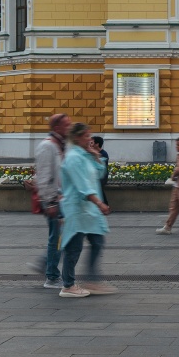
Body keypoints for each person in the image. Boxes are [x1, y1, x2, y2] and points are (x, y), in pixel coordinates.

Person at [57, 123, 115, 297]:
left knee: (97, 242)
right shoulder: (73, 157)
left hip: (89, 210)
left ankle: (92, 281)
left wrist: (96, 156)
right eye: (86, 136)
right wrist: (99, 203)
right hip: (77, 209)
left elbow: (97, 175)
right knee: (74, 248)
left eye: (90, 135)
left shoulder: (84, 155)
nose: (90, 139)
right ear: (76, 138)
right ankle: (68, 285)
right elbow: (82, 185)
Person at [30, 113, 69, 289]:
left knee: (62, 237)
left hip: (62, 199)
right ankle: (52, 276)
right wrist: (50, 202)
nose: (70, 127)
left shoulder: (62, 145)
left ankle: (46, 263)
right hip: (55, 200)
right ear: (57, 128)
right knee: (57, 239)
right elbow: (44, 176)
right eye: (66, 125)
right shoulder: (48, 146)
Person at [91, 135, 109, 207]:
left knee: (98, 185)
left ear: (97, 144)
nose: (90, 144)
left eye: (92, 143)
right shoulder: (93, 152)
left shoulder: (103, 154)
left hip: (102, 175)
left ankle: (105, 204)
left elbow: (101, 166)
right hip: (96, 174)